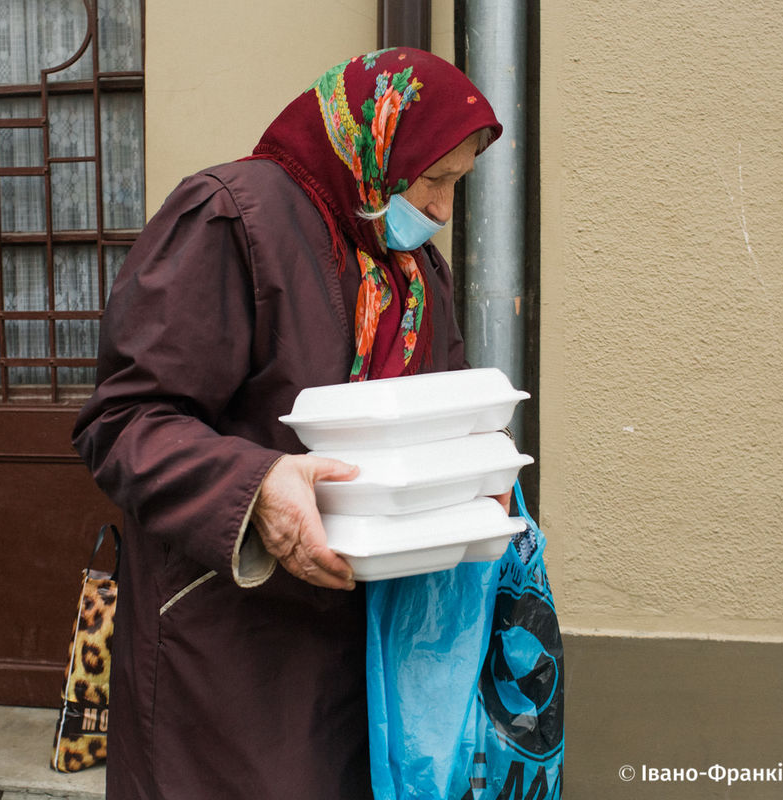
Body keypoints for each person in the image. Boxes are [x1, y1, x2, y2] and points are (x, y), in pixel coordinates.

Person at [72, 47, 502, 799]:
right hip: (232, 645)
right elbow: (125, 420)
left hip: (371, 642)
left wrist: (473, 482)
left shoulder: (410, 265)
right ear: (372, 142)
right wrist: (259, 485)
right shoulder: (231, 217)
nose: (441, 211)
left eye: (455, 185)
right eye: (433, 179)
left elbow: (444, 409)